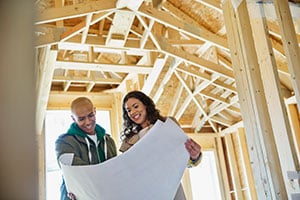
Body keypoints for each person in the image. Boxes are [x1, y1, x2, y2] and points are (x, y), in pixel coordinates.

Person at [119, 90, 202, 200]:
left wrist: (195, 157)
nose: (133, 112)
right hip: (146, 192)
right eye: (128, 110)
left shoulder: (168, 125)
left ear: (145, 105)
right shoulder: (128, 142)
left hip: (172, 186)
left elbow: (184, 159)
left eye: (135, 106)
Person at [55, 97, 117, 200]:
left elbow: (114, 170)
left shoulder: (108, 141)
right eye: (81, 119)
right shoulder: (64, 142)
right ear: (73, 119)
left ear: (95, 111)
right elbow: (76, 170)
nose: (88, 122)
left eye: (91, 115)